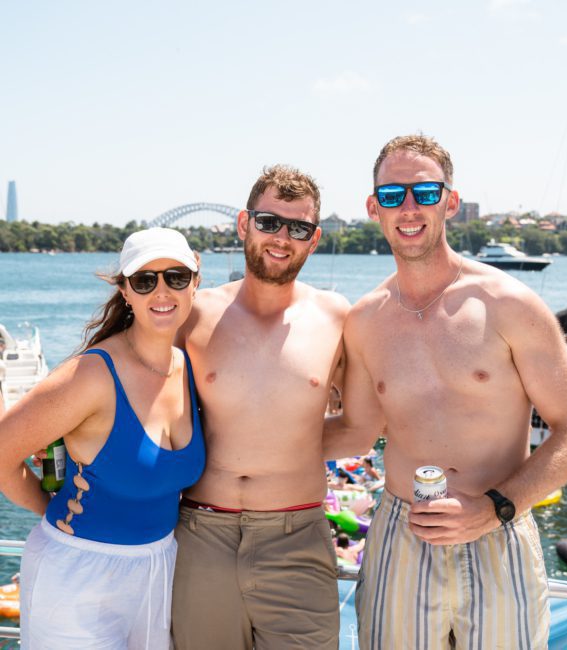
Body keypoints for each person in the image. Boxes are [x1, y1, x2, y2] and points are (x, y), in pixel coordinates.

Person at [324, 134, 567, 649]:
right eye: (392, 195)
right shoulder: (364, 320)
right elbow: (358, 431)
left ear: (450, 201)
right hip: (400, 534)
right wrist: (250, 445)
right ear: (372, 208)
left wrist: (496, 507)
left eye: (424, 193)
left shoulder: (508, 304)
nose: (408, 207)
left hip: (499, 527)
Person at [171, 165, 350, 650]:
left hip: (298, 537)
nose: (282, 238)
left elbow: (363, 426)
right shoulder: (193, 314)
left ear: (313, 241)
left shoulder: (338, 317)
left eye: (299, 228)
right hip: (201, 534)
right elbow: (138, 403)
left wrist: (285, 443)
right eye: (270, 222)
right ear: (244, 224)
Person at [0, 228, 205, 649]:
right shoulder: (91, 376)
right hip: (77, 576)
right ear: (125, 291)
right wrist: (51, 506)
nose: (161, 290)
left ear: (195, 282)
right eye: (145, 280)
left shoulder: (189, 368)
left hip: (159, 569)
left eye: (176, 277)